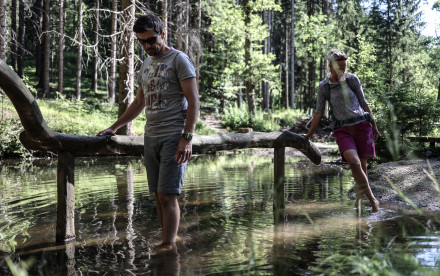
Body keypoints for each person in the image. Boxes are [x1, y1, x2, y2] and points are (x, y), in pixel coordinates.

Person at [97, 14, 200, 248]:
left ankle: (167, 248)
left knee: (167, 195)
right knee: (157, 196)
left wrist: (187, 137)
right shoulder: (146, 63)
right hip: (150, 137)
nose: (147, 46)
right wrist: (114, 127)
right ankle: (168, 242)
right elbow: (138, 103)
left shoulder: (179, 60)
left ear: (162, 34)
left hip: (174, 136)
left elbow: (194, 102)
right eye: (142, 42)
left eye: (151, 40)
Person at [304, 49, 380, 213]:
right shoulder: (324, 86)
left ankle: (359, 206)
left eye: (344, 68)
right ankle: (374, 202)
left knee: (362, 168)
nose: (342, 71)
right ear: (331, 67)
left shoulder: (353, 80)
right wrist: (308, 135)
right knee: (354, 162)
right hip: (342, 129)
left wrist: (374, 124)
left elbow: (364, 103)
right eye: (339, 68)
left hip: (361, 125)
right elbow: (318, 112)